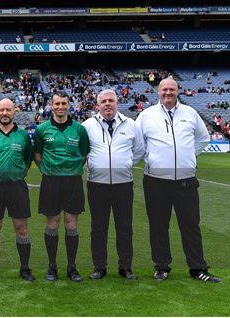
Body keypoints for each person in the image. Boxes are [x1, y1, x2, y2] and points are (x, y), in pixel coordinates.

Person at [135, 77, 222, 282]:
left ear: (178, 91)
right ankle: (162, 267)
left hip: (186, 180)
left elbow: (203, 138)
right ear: (158, 92)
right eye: (164, 89)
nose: (168, 93)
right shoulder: (146, 115)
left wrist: (190, 157)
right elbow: (138, 144)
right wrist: (150, 159)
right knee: (158, 225)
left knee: (191, 225)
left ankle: (198, 268)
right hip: (156, 180)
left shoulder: (190, 113)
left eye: (171, 89)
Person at [82, 89, 145, 280]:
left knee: (124, 227)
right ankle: (99, 267)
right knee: (98, 228)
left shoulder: (131, 125)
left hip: (123, 184)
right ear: (97, 105)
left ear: (117, 103)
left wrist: (123, 164)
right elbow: (82, 151)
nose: (107, 104)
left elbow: (139, 151)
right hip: (97, 184)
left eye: (111, 100)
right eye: (103, 101)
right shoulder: (86, 126)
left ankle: (125, 267)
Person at [33, 91, 90, 282]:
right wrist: (49, 170)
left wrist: (71, 169)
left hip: (72, 181)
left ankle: (72, 267)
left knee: (71, 223)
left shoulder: (79, 129)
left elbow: (83, 155)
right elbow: (38, 156)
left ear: (69, 105)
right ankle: (52, 266)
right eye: (57, 104)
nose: (60, 107)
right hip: (51, 181)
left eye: (63, 103)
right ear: (51, 105)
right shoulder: (42, 129)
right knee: (52, 223)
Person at [0, 98, 34, 281]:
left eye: (8, 110)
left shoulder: (23, 135)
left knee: (21, 228)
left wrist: (15, 174)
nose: (4, 113)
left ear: (14, 112)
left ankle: (25, 269)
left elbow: (28, 160)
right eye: (1, 110)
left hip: (17, 187)